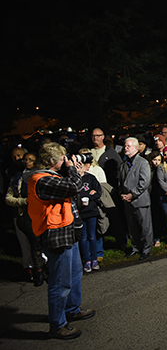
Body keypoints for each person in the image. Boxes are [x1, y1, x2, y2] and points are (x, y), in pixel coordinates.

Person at [26, 142, 95, 340]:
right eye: (62, 157)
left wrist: (70, 170)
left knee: (74, 274)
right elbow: (74, 186)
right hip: (55, 233)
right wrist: (72, 169)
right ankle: (57, 324)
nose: (65, 160)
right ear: (52, 160)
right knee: (60, 282)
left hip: (67, 230)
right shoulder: (41, 180)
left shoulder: (53, 176)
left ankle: (72, 309)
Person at [5, 152, 44, 284]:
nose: (27, 162)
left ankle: (44, 269)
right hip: (23, 214)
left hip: (40, 215)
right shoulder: (18, 178)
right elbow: (8, 198)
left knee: (40, 244)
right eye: (25, 160)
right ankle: (34, 272)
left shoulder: (41, 175)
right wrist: (23, 201)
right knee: (27, 245)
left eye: (30, 160)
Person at [119, 137, 153, 260]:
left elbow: (144, 182)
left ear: (135, 147)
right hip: (128, 201)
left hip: (140, 200)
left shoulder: (142, 163)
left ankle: (146, 248)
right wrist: (122, 194)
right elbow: (121, 181)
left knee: (144, 226)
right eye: (125, 146)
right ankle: (135, 247)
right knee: (132, 227)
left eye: (128, 146)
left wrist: (132, 194)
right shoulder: (123, 164)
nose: (125, 148)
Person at [77, 157, 103, 273]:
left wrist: (91, 195)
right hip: (80, 212)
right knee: (83, 237)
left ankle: (94, 259)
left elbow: (99, 192)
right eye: (76, 167)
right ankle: (86, 260)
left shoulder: (90, 178)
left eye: (80, 167)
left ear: (86, 167)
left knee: (92, 236)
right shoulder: (73, 180)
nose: (79, 169)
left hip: (91, 211)